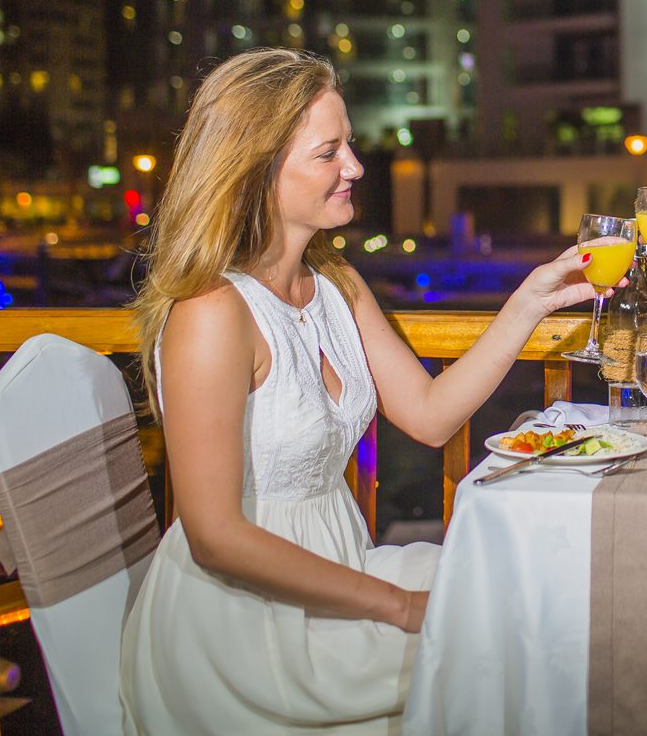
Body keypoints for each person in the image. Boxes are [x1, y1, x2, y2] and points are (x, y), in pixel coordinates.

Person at [119, 49, 602, 734]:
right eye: (329, 152)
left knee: (529, 599)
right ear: (257, 171)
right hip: (244, 626)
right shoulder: (210, 314)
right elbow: (216, 538)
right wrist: (398, 607)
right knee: (500, 652)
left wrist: (528, 305)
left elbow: (431, 418)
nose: (356, 166)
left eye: (349, 144)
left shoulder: (337, 284)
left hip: (341, 574)